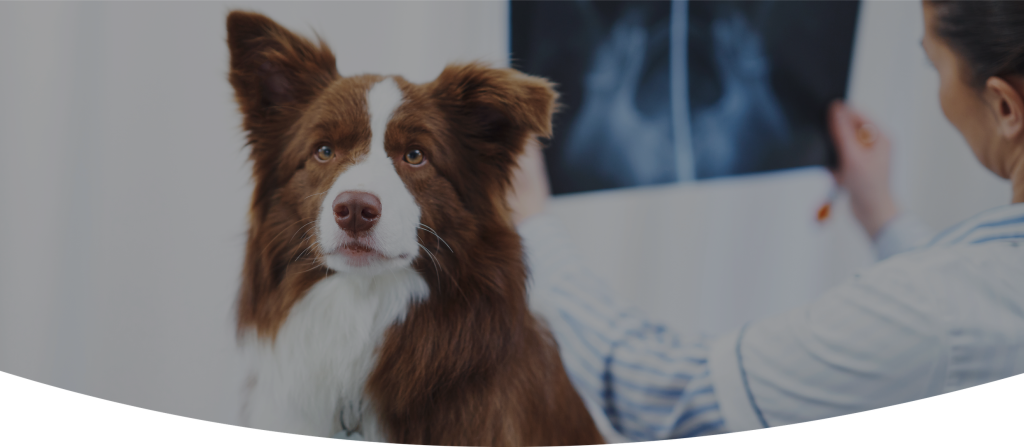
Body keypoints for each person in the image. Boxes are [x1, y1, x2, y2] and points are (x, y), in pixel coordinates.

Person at [507, 0, 1024, 441]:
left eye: (935, 66)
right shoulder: (976, 299)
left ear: (1005, 106)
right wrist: (882, 213)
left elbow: (661, 397)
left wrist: (530, 222)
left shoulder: (937, 308)